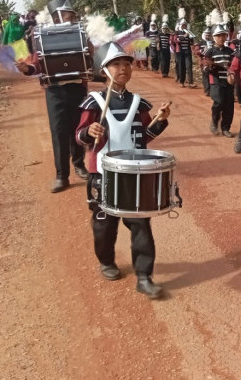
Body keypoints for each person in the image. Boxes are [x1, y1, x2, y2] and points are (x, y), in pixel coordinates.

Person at [75, 42, 170, 299]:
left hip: (134, 173)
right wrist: (89, 131)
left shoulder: (139, 104)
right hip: (102, 175)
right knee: (104, 226)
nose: (123, 68)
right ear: (105, 70)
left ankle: (144, 276)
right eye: (116, 64)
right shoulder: (93, 102)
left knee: (141, 224)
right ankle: (106, 261)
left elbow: (145, 138)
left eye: (127, 64)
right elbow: (80, 136)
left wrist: (160, 120)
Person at [15, 0, 89, 192]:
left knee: (79, 128)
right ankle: (61, 175)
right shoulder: (43, 37)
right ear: (56, 17)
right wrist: (27, 69)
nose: (70, 18)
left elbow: (89, 58)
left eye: (72, 15)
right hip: (55, 91)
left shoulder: (82, 33)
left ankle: (79, 165)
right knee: (58, 131)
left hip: (78, 87)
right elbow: (37, 64)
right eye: (66, 14)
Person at [207, 21, 236, 137]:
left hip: (228, 82)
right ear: (214, 37)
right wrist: (211, 67)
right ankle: (214, 121)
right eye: (218, 36)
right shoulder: (210, 51)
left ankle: (225, 128)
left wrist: (232, 73)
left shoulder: (230, 51)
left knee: (229, 106)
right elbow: (205, 67)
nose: (221, 38)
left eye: (223, 35)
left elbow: (234, 65)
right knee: (218, 102)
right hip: (216, 82)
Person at [170, 13, 196, 88]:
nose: (184, 26)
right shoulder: (177, 33)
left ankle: (191, 82)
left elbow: (191, 42)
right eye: (183, 25)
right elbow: (176, 41)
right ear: (180, 25)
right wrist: (184, 36)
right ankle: (182, 81)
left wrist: (191, 39)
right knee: (182, 67)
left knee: (189, 66)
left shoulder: (188, 32)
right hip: (180, 52)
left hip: (187, 52)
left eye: (185, 24)